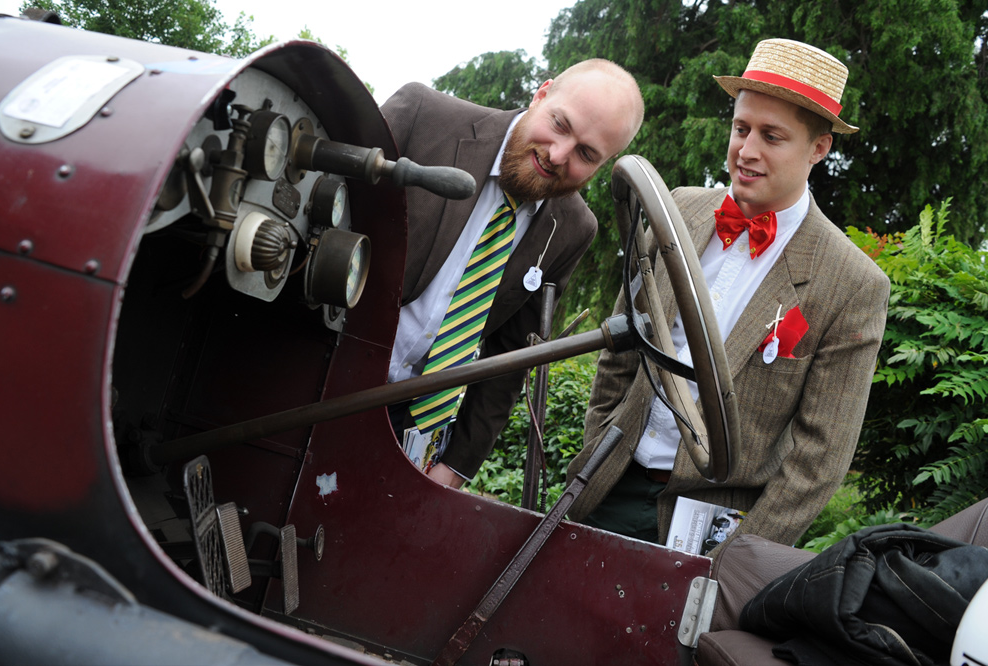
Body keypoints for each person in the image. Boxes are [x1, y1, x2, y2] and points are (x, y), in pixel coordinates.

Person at [565, 39, 890, 551]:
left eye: (772, 136)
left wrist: (732, 562)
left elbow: (818, 462)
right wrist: (597, 447)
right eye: (741, 128)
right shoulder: (678, 209)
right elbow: (620, 351)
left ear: (819, 148)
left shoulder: (852, 284)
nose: (747, 150)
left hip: (711, 529)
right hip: (604, 487)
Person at [381, 59, 645, 488]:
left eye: (586, 154)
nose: (558, 155)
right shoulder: (423, 117)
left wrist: (455, 467)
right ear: (541, 94)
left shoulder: (575, 229)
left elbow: (508, 361)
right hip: (316, 374)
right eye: (559, 125)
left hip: (407, 429)